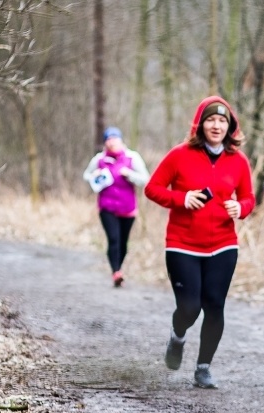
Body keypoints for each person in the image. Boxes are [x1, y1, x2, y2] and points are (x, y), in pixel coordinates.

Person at [145, 96, 254, 389]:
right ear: (200, 124)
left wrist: (240, 209)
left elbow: (248, 198)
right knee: (190, 307)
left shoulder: (238, 161)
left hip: (223, 243)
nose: (216, 125)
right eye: (210, 120)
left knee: (215, 305)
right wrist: (182, 198)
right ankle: (178, 336)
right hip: (182, 243)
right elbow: (152, 188)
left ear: (230, 126)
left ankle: (203, 367)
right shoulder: (179, 155)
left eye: (222, 120)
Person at [83, 126, 150, 287]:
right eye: (108, 139)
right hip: (107, 207)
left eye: (115, 139)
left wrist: (130, 174)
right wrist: (94, 175)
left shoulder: (132, 157)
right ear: (105, 142)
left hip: (128, 208)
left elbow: (146, 179)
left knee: (123, 243)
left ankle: (118, 268)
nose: (112, 142)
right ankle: (116, 272)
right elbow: (86, 175)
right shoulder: (99, 159)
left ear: (121, 140)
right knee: (114, 239)